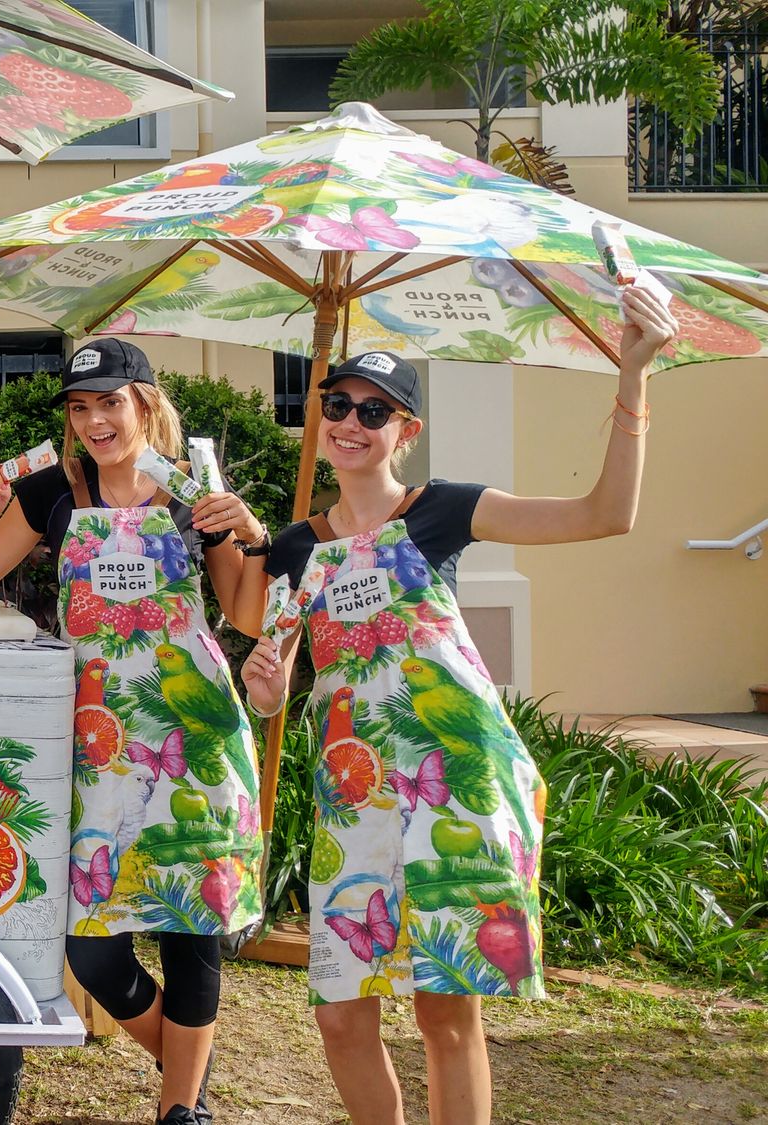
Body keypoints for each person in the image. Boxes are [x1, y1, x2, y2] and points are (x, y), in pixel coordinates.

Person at [238, 284, 676, 1125]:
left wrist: (633, 376)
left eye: (376, 409)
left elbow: (605, 513)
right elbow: (283, 674)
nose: (352, 421)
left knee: (446, 1010)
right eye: (337, 404)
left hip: (458, 778)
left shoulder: (442, 510)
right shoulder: (294, 549)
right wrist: (267, 693)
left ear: (407, 428)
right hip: (353, 792)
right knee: (338, 1013)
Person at [0, 338, 268, 1125]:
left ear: (146, 405)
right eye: (80, 406)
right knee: (92, 942)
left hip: (195, 733)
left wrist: (251, 532)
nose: (95, 420)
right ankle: (187, 1057)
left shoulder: (193, 493)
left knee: (192, 925)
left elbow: (248, 613)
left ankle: (179, 1110)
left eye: (110, 402)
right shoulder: (56, 488)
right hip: (94, 738)